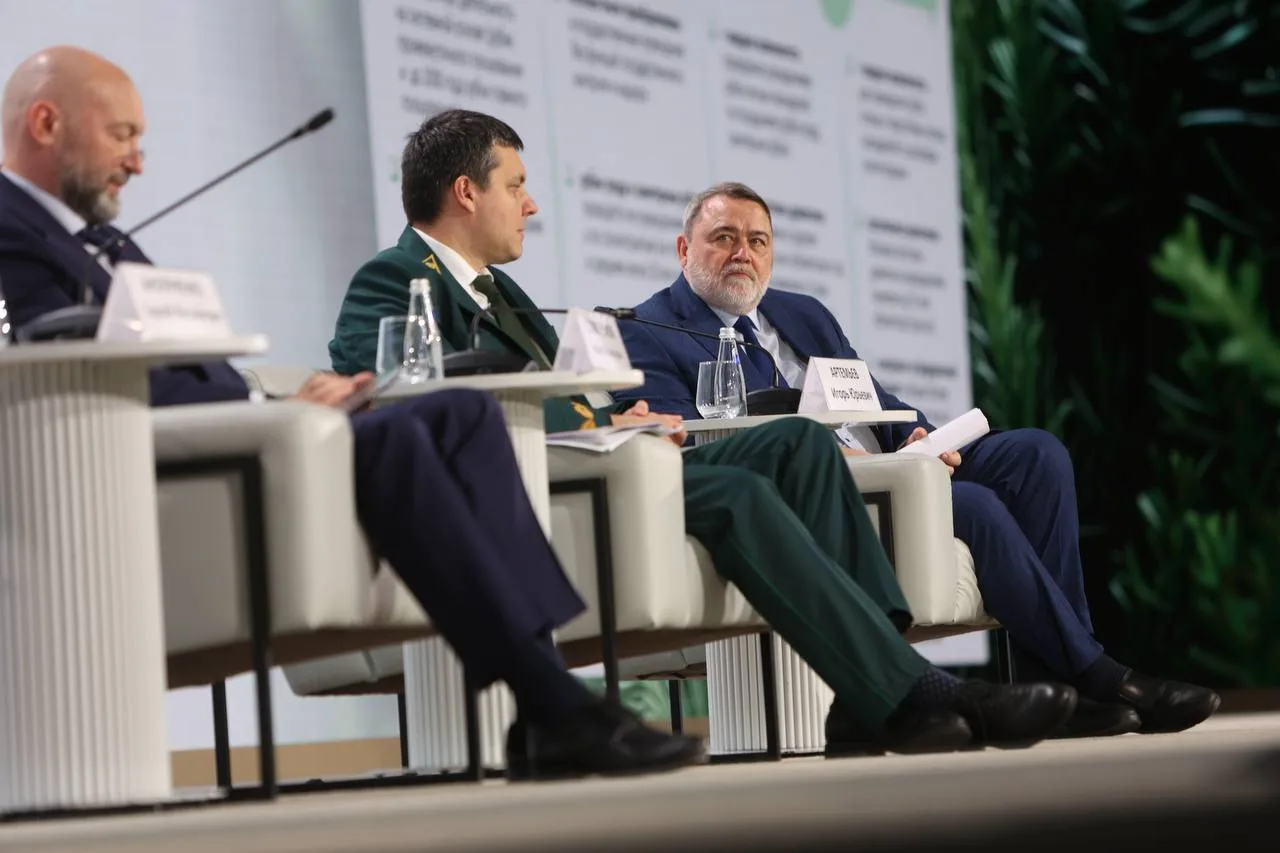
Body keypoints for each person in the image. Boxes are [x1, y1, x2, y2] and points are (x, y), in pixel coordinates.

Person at [0, 45, 706, 781]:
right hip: (150, 458)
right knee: (398, 441)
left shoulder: (105, 242)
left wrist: (276, 402)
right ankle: (553, 702)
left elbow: (174, 362)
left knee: (461, 416)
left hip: (237, 428)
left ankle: (542, 698)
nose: (139, 161)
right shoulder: (12, 232)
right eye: (122, 136)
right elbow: (66, 375)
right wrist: (264, 411)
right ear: (46, 124)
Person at [331, 108, 1079, 756]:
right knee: (741, 497)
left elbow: (561, 397)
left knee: (798, 440)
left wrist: (615, 419)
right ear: (467, 192)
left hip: (608, 455)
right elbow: (405, 397)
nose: (530, 204)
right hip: (550, 479)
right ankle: (904, 690)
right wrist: (593, 422)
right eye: (516, 185)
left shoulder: (506, 294)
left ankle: (872, 684)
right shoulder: (394, 277)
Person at [615, 180, 1222, 738]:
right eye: (723, 238)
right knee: (972, 506)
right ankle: (1096, 675)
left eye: (757, 241)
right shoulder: (648, 328)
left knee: (1036, 455)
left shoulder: (802, 313)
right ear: (684, 249)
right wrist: (862, 460)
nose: (742, 253)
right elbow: (689, 442)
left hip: (897, 464)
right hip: (823, 484)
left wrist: (917, 437)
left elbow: (874, 400)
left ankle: (1055, 683)